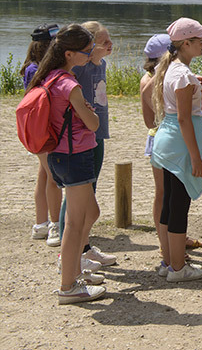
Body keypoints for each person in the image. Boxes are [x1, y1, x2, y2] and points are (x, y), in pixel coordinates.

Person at [27, 24, 105, 304]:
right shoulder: (69, 85)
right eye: (86, 52)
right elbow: (93, 123)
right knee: (74, 223)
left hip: (59, 155)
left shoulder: (47, 77)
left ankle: (74, 270)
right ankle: (68, 285)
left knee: (88, 213)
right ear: (70, 54)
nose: (90, 56)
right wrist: (89, 112)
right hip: (75, 156)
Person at [151, 18, 202, 282]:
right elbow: (184, 118)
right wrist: (195, 156)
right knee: (179, 204)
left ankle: (169, 262)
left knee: (171, 201)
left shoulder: (172, 68)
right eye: (200, 40)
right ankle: (179, 269)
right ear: (186, 43)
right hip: (178, 145)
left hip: (168, 141)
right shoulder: (182, 74)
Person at [62, 21, 117, 269]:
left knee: (91, 189)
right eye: (104, 42)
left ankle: (83, 247)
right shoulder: (79, 70)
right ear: (89, 46)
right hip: (81, 137)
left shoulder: (101, 64)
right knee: (77, 195)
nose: (110, 45)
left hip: (98, 135)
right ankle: (71, 253)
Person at [23, 23, 62, 246]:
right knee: (54, 177)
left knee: (44, 174)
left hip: (39, 130)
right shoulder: (37, 70)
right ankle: (55, 224)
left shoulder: (33, 67)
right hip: (43, 130)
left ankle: (40, 224)